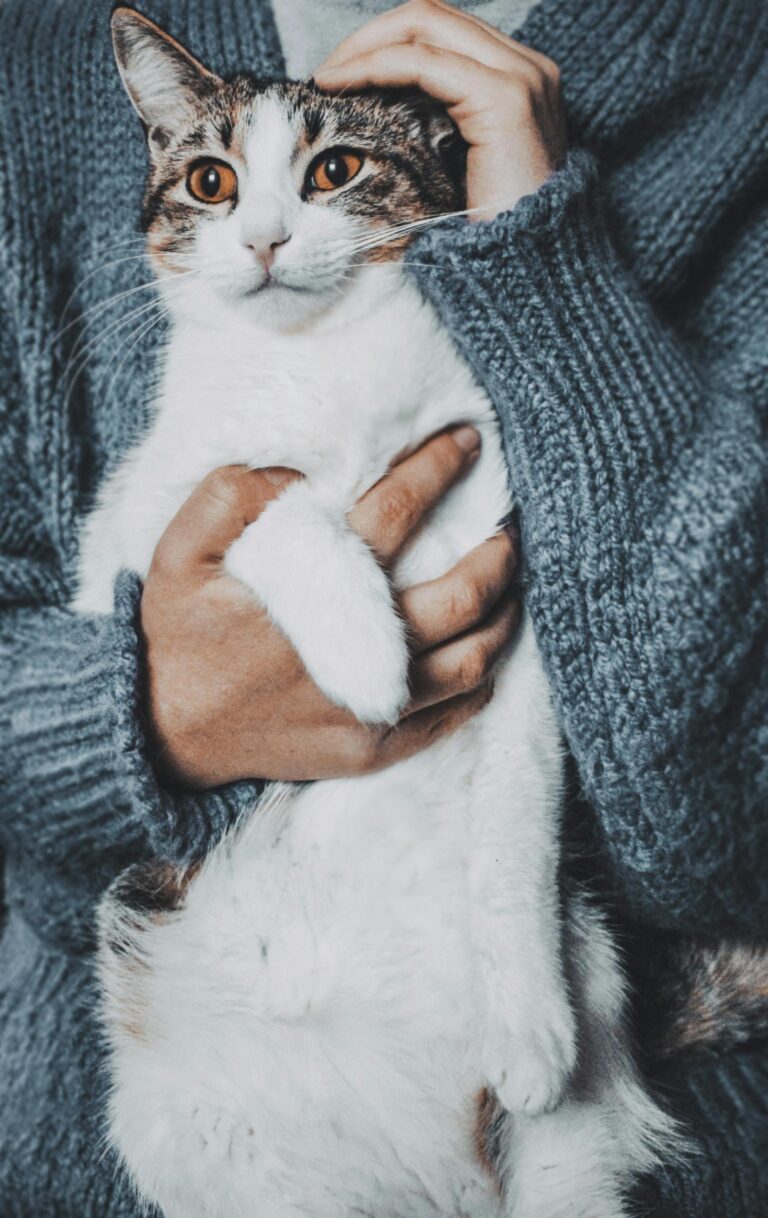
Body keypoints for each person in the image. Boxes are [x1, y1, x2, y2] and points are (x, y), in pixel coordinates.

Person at [0, 0, 764, 1214]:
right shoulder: (28, 80)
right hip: (223, 1037)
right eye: (208, 182)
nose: (257, 234)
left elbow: (713, 803)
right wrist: (140, 715)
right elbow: (119, 572)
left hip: (509, 1030)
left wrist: (545, 267)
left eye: (329, 175)